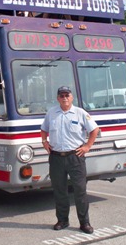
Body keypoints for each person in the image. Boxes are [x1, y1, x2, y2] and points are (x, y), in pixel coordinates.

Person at [40, 86, 100, 234]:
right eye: (62, 95)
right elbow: (44, 129)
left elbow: (94, 130)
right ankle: (62, 220)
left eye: (67, 95)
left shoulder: (80, 113)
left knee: (80, 191)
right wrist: (44, 141)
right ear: (57, 98)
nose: (65, 97)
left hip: (75, 157)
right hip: (56, 158)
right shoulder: (51, 113)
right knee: (60, 191)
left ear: (72, 97)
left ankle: (84, 223)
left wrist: (87, 146)